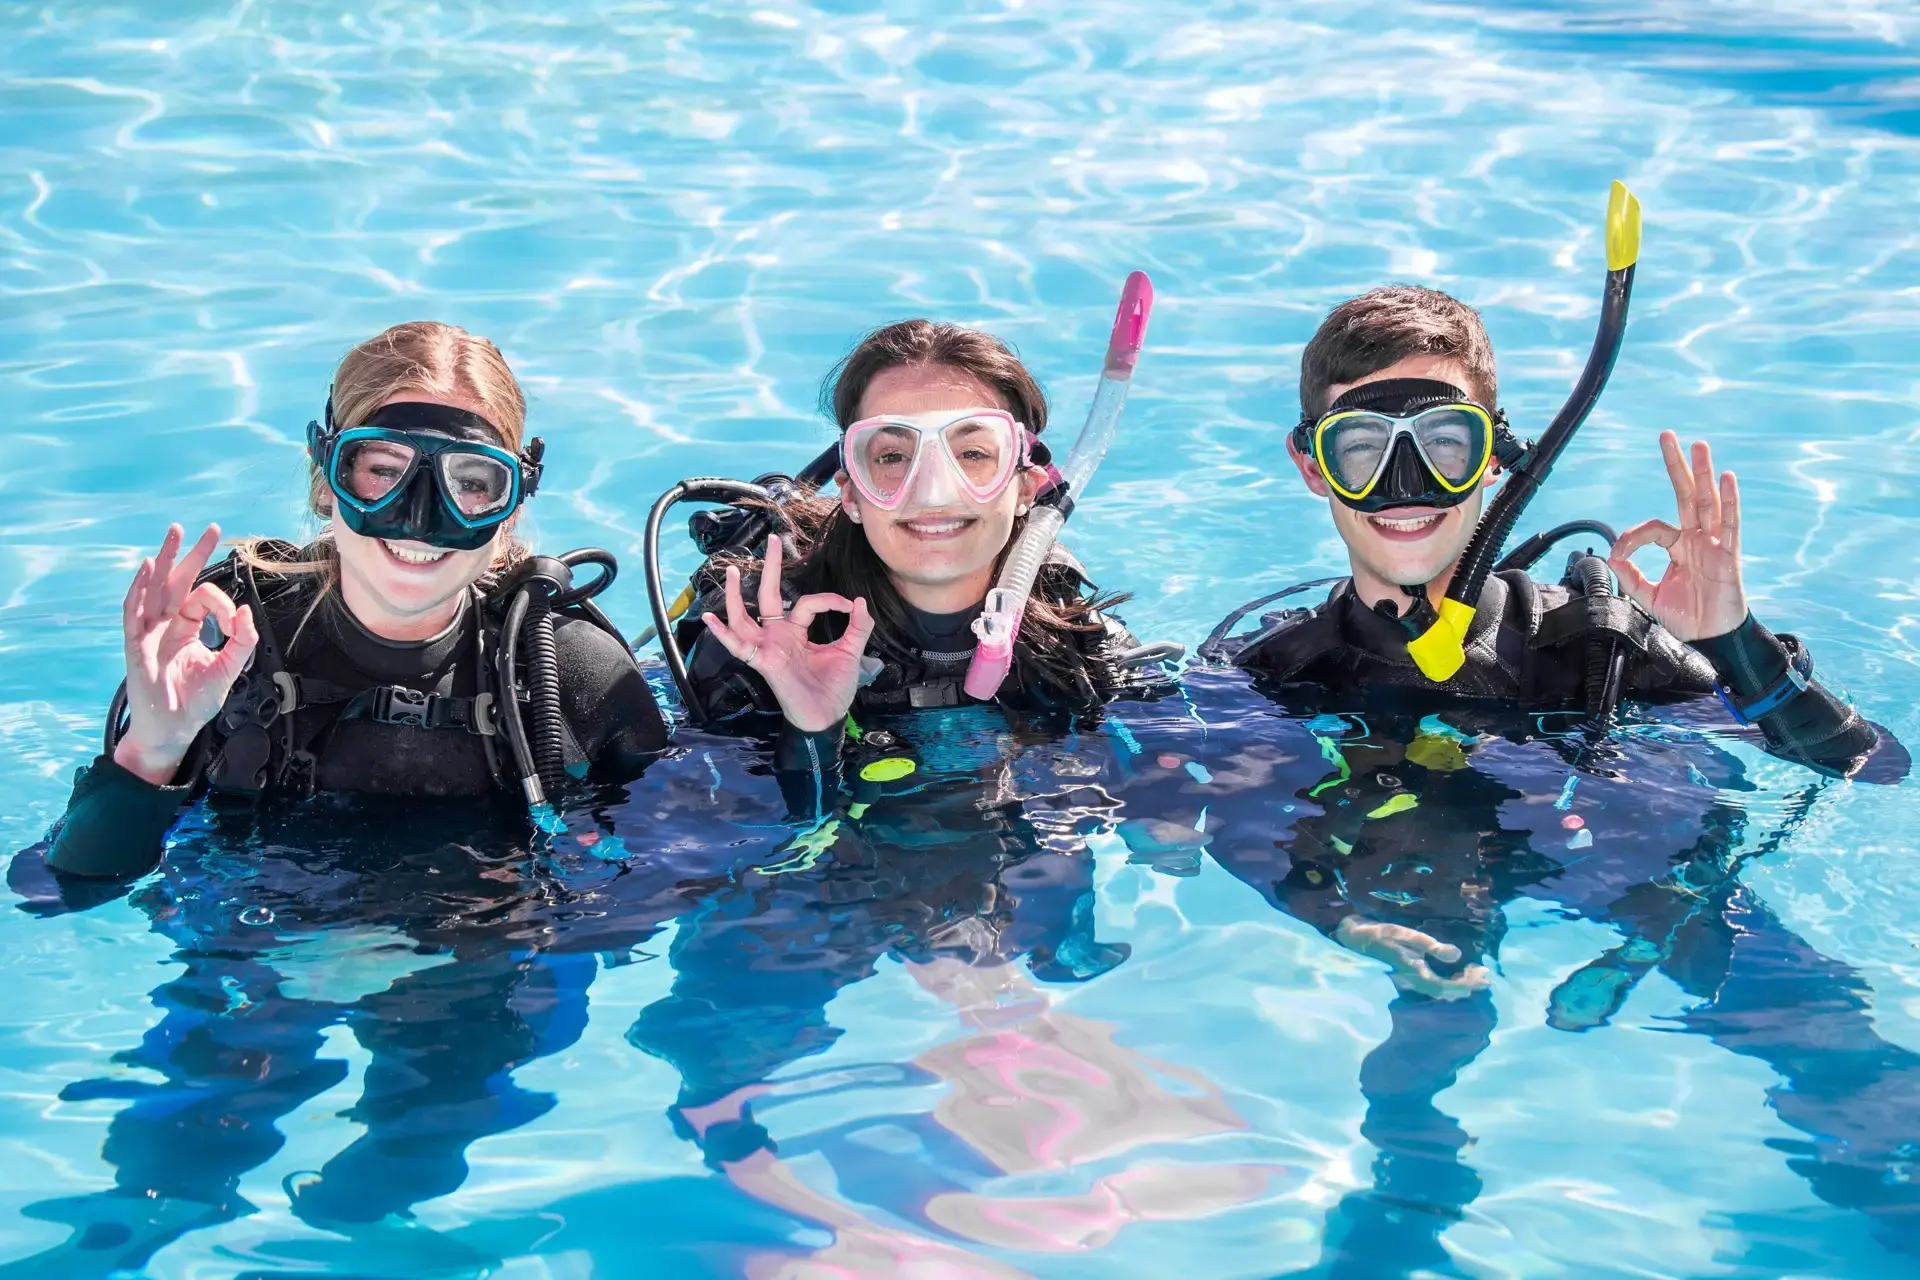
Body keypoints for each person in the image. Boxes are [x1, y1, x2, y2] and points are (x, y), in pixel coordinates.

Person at [42, 320, 668, 882]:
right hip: (261, 962)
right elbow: (62, 887)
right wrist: (153, 746)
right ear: (327, 480)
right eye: (382, 470)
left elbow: (682, 873)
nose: (419, 521)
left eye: (472, 484)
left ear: (513, 506)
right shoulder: (228, 647)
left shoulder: (572, 675)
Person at [1208, 284, 1897, 781]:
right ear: (1312, 466)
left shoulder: (1597, 648)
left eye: (1445, 443)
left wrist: (1734, 642)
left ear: (1494, 459)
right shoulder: (1267, 675)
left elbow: (1868, 766)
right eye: (1361, 448)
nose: (1405, 487)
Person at [683, 319, 1167, 814]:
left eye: (973, 453)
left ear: (1026, 487)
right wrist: (811, 730)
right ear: (850, 494)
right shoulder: (764, 639)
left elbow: (1183, 794)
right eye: (894, 456)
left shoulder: (1078, 641)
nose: (934, 492)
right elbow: (719, 844)